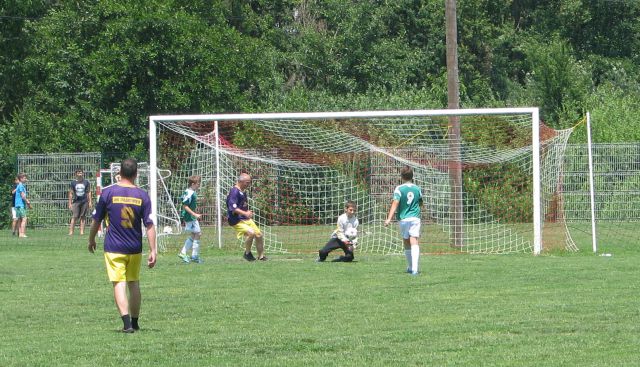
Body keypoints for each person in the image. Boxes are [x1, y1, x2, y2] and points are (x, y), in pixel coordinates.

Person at [88, 158, 157, 333]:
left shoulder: (108, 193)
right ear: (136, 174)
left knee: (119, 283)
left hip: (114, 247)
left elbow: (96, 221)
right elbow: (149, 225)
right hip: (134, 248)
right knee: (133, 283)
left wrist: (91, 239)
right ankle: (135, 323)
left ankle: (126, 325)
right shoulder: (142, 195)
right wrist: (153, 249)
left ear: (119, 172)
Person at [384, 165, 423, 275]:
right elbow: (420, 203)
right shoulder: (417, 188)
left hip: (404, 219)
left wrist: (389, 219)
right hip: (415, 218)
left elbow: (395, 203)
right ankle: (414, 268)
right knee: (414, 240)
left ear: (401, 176)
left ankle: (411, 267)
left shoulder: (399, 189)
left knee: (407, 242)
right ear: (412, 176)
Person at [226, 172, 266, 261]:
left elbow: (241, 206)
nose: (248, 184)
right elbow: (233, 208)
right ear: (241, 181)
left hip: (245, 218)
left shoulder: (242, 192)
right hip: (236, 220)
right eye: (247, 182)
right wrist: (245, 213)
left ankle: (261, 256)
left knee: (259, 235)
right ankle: (247, 254)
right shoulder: (234, 192)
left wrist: (247, 212)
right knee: (251, 233)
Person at [177, 175, 203, 263]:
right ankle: (191, 255)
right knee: (198, 233)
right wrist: (194, 214)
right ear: (193, 184)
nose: (199, 185)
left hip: (190, 215)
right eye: (198, 184)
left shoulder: (189, 191)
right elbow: (185, 205)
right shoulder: (190, 193)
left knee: (194, 234)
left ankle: (188, 254)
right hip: (189, 216)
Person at [68, 168, 92, 235]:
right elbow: (71, 193)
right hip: (76, 202)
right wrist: (69, 203)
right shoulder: (73, 183)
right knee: (74, 216)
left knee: (83, 217)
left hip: (84, 201)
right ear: (76, 174)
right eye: (78, 173)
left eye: (81, 172)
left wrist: (90, 202)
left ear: (83, 173)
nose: (80, 174)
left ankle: (82, 232)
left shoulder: (86, 182)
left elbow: (88, 192)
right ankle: (71, 232)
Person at [14, 173, 31, 238]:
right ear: (21, 179)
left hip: (17, 205)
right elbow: (23, 195)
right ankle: (22, 233)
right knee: (24, 218)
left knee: (19, 219)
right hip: (21, 205)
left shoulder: (19, 185)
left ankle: (20, 234)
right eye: (24, 178)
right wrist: (27, 202)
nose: (26, 179)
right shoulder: (21, 186)